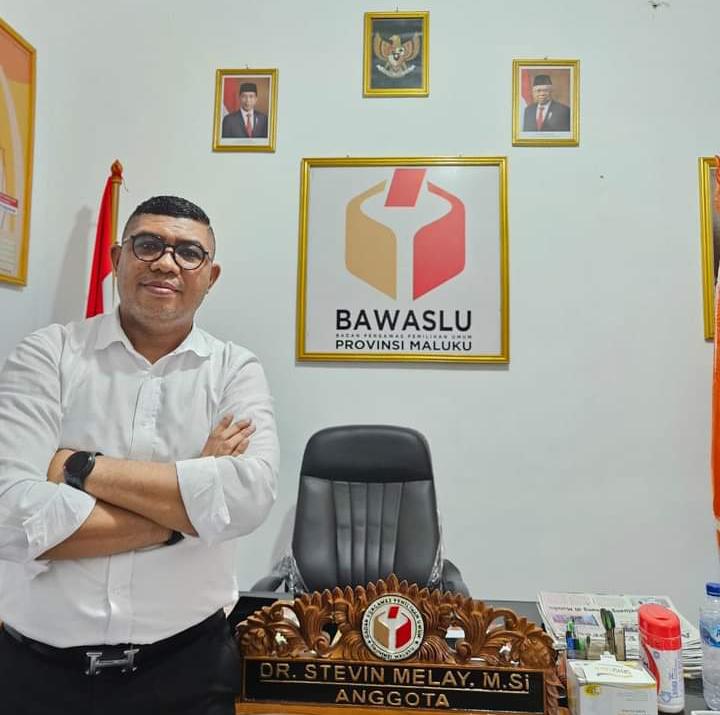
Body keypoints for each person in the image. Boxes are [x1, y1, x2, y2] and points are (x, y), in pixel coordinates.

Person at [0, 195, 279, 715]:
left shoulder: (235, 370)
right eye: (148, 245)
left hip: (188, 674)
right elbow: (11, 519)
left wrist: (78, 467)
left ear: (211, 276)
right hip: (37, 678)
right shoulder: (47, 355)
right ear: (117, 259)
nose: (167, 262)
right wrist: (185, 512)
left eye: (188, 252)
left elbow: (246, 500)